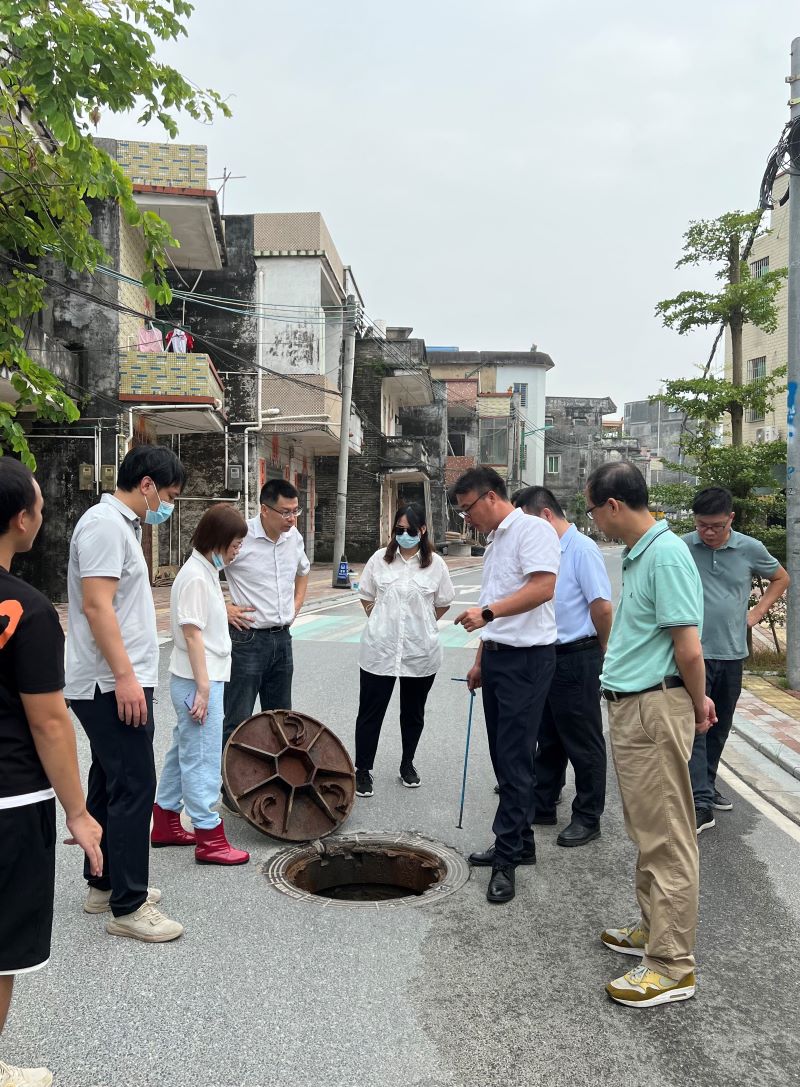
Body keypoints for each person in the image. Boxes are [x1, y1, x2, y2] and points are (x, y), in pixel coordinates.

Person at [585, 461, 715, 1009]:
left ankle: (670, 965)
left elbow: (688, 646)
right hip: (635, 707)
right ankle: (653, 930)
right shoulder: (642, 555)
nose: (594, 521)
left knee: (667, 838)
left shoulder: (664, 555)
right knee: (648, 830)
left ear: (614, 505)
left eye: (594, 510)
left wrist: (698, 699)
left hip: (653, 708)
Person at [0, 459, 103, 1087]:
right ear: (21, 518)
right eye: (38, 506)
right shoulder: (26, 609)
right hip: (9, 804)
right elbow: (49, 722)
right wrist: (80, 812)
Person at [65, 444, 186, 944]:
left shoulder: (122, 526)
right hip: (109, 681)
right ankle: (129, 905)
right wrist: (126, 678)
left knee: (111, 778)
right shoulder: (104, 525)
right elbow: (97, 607)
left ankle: (105, 881)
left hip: (114, 678)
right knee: (136, 783)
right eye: (170, 495)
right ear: (148, 484)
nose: (168, 506)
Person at [450, 467, 560, 905]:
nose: (466, 519)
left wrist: (489, 616)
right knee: (503, 755)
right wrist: (481, 656)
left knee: (514, 759)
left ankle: (507, 860)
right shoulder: (496, 539)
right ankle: (522, 842)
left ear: (490, 497)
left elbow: (543, 588)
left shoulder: (532, 530)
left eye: (467, 509)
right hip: (499, 658)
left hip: (528, 661)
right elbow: (495, 602)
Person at [682, 486, 789, 834]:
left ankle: (706, 785)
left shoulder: (749, 548)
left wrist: (757, 613)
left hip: (731, 655)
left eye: (715, 525)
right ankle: (699, 802)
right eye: (702, 525)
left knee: (719, 726)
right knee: (695, 726)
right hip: (692, 654)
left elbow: (781, 577)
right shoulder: (683, 546)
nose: (708, 532)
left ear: (730, 518)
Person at [152, 504, 250, 865]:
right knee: (203, 758)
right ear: (219, 541)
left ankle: (164, 820)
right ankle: (209, 837)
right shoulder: (196, 576)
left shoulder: (203, 570)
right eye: (236, 544)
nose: (238, 551)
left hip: (196, 677)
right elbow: (193, 636)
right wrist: (205, 690)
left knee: (183, 752)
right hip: (199, 679)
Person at [514, 486, 612, 846]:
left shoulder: (581, 549)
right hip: (546, 654)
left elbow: (601, 606)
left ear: (544, 516)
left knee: (583, 740)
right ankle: (542, 802)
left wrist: (601, 649)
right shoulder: (543, 550)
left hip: (577, 655)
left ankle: (588, 816)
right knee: (548, 735)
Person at [353, 503, 455, 797]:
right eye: (399, 530)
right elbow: (366, 595)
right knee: (370, 712)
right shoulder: (379, 560)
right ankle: (363, 769)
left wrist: (423, 624)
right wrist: (381, 622)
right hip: (380, 650)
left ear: (422, 530)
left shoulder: (436, 564)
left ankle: (407, 764)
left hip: (419, 651)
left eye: (411, 530)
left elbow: (443, 601)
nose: (405, 535)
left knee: (413, 713)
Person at [221, 480, 310, 796]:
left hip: (282, 641)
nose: (291, 518)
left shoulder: (293, 538)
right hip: (247, 641)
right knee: (238, 718)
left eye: (295, 511)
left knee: (281, 719)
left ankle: (276, 783)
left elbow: (303, 570)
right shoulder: (239, 537)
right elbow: (200, 569)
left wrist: (296, 604)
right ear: (264, 509)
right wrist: (224, 606)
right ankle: (233, 789)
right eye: (285, 512)